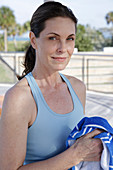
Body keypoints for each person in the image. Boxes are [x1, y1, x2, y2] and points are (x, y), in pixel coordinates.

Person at [0, 1, 103, 170]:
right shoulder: (20, 98)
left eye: (69, 39)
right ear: (34, 40)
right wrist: (73, 157)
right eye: (53, 38)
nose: (63, 48)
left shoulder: (78, 88)